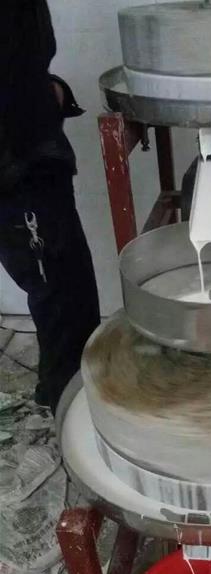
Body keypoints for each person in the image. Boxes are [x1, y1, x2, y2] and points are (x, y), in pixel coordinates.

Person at [0, 0, 100, 413]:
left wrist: (49, 90)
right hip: (17, 167)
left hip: (35, 154)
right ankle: (68, 407)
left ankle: (63, 392)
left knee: (70, 287)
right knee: (60, 296)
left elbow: (24, 59)